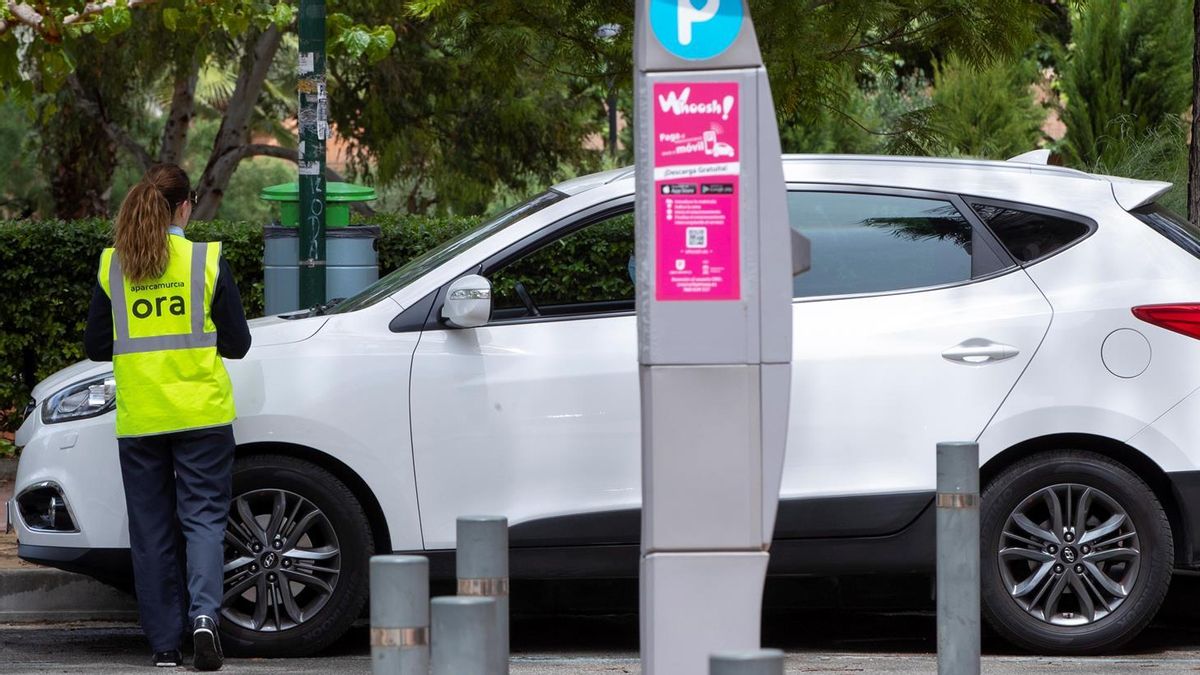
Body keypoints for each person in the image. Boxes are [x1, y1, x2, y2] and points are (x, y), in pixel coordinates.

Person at [84, 164, 251, 670]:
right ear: (184, 207)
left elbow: (96, 346)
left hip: (142, 418)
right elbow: (238, 344)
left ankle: (163, 646)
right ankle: (204, 619)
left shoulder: (114, 265)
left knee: (152, 531)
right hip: (202, 414)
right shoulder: (205, 259)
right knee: (204, 522)